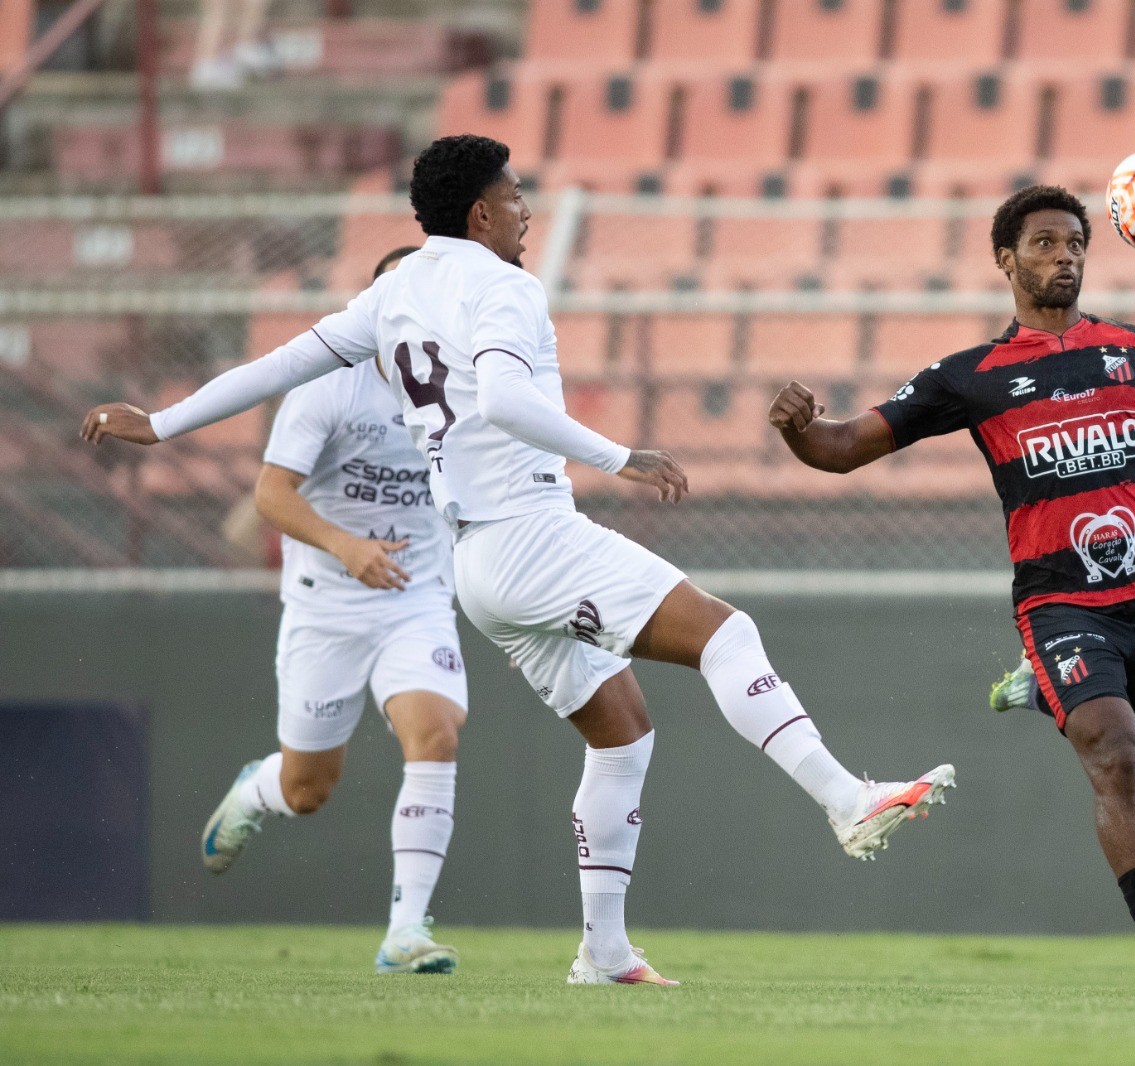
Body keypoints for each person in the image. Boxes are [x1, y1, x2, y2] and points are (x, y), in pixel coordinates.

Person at [82, 134, 955, 988]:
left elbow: (276, 365)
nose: (526, 211)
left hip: (474, 567)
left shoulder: (393, 295)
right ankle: (844, 798)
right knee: (728, 634)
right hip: (531, 535)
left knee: (621, 732)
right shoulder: (502, 286)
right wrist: (624, 456)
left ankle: (604, 953)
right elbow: (501, 397)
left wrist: (158, 424)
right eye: (514, 197)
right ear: (480, 212)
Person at [766, 185, 1135, 991]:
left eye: (1075, 242)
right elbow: (842, 448)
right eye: (1045, 243)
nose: (1065, 256)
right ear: (1006, 260)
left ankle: (1041, 690)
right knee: (1114, 760)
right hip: (1060, 603)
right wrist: (800, 428)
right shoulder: (969, 377)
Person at [198, 245, 468, 975]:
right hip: (326, 607)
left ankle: (405, 933)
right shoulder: (326, 391)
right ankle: (260, 787)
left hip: (416, 600)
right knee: (307, 789)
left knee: (436, 734)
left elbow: (480, 503)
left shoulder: (470, 392)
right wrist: (346, 546)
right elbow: (271, 495)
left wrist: (515, 610)